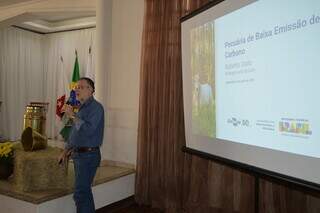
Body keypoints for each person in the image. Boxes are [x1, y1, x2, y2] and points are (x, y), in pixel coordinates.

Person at [58, 77, 104, 213]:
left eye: (81, 87)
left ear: (91, 90)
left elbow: (89, 130)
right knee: (83, 193)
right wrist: (65, 151)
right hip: (79, 155)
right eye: (76, 87)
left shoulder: (96, 108)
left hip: (88, 156)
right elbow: (75, 134)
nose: (76, 89)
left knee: (81, 194)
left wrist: (73, 115)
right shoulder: (81, 109)